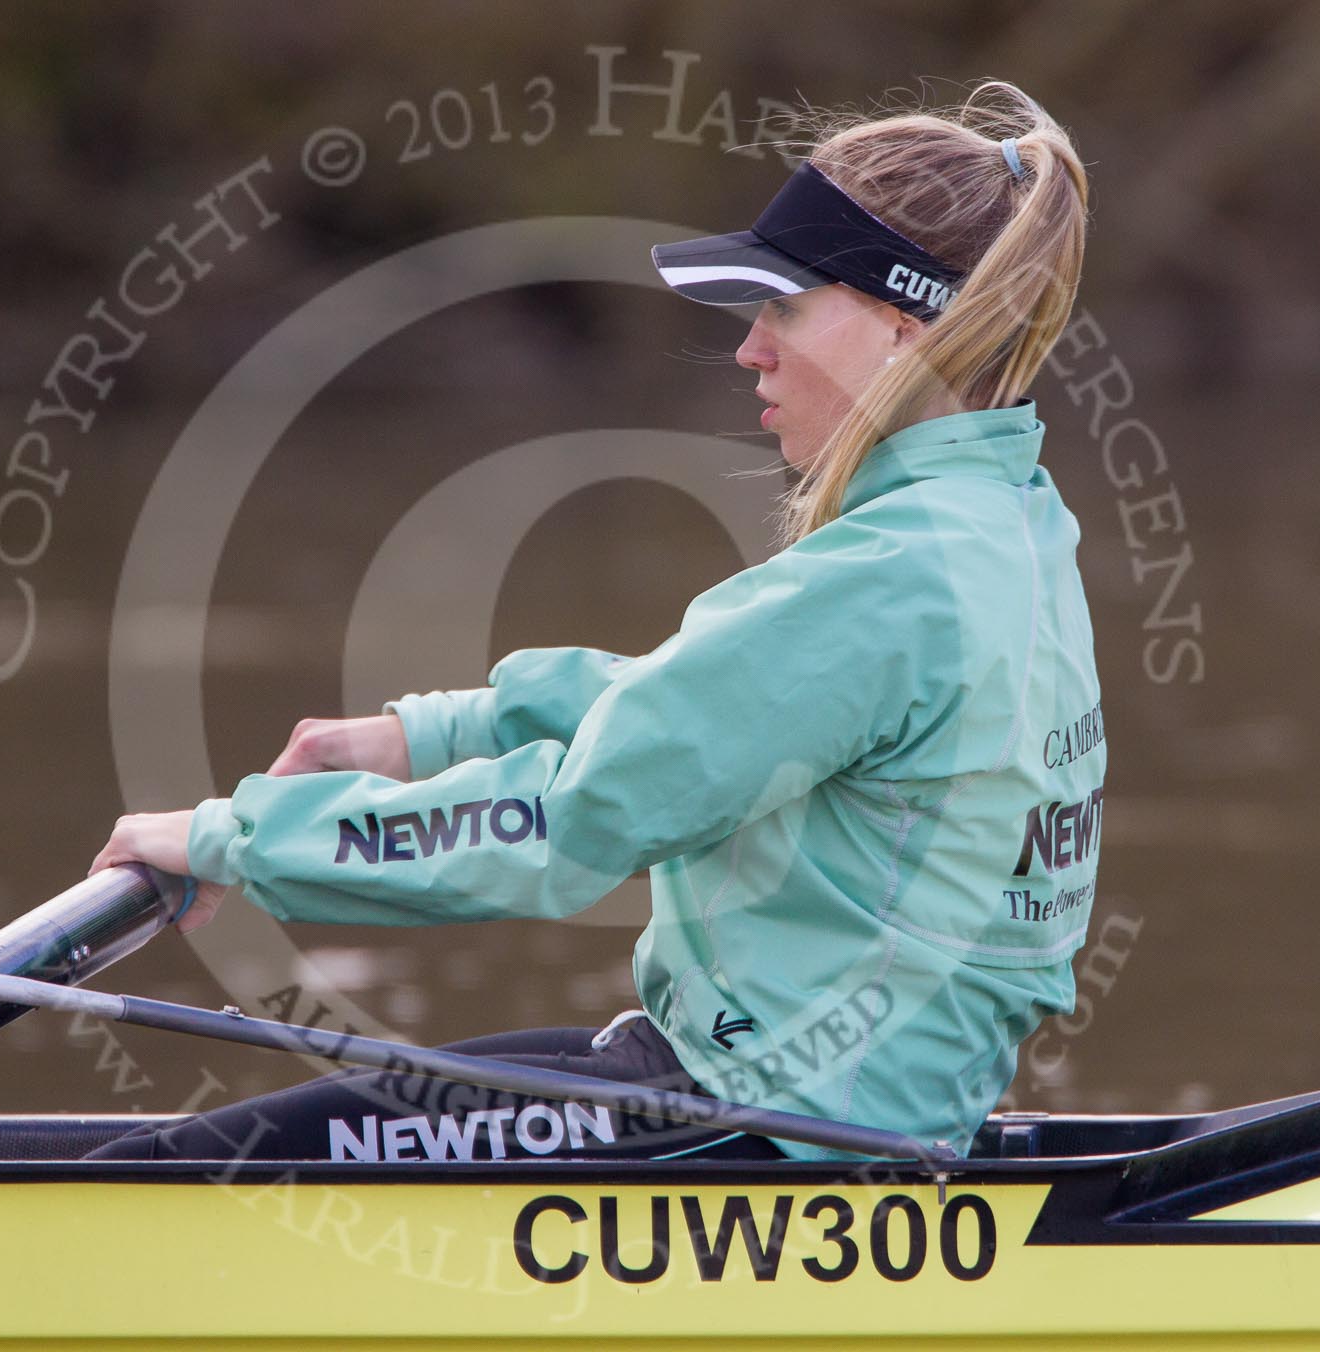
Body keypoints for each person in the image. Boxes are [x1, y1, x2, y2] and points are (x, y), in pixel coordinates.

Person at [86, 81, 1103, 1164]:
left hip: (788, 1131)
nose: (751, 349)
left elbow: (578, 818)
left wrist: (230, 841)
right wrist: (429, 733)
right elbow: (707, 712)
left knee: (198, 1171)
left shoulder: (886, 580)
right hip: (832, 1101)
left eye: (784, 305)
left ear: (902, 323)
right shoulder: (1011, 525)